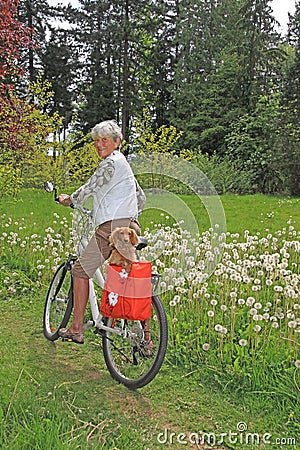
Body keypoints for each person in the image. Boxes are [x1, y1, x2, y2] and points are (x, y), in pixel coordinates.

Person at [57, 120, 146, 343]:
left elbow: (91, 186)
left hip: (112, 228)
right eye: (96, 141)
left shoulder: (110, 164)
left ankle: (76, 327)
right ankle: (147, 339)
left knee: (80, 271)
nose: (99, 145)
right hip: (129, 226)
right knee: (130, 278)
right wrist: (131, 218)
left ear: (116, 141)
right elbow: (140, 196)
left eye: (104, 140)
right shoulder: (124, 163)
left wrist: (70, 199)